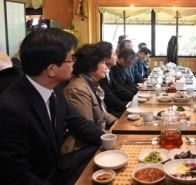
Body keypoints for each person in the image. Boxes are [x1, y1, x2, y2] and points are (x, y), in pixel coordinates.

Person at [0, 28, 104, 184]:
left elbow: (77, 122)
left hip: (57, 167)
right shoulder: (10, 108)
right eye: (70, 59)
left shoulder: (54, 88)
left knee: (104, 153)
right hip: (39, 178)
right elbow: (16, 176)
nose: (74, 63)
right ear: (51, 69)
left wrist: (108, 139)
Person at [63, 44, 118, 130]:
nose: (106, 66)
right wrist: (111, 135)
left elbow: (101, 111)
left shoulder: (93, 83)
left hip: (99, 133)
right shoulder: (78, 90)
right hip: (85, 141)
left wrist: (115, 121)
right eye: (103, 63)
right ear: (90, 66)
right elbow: (87, 129)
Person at [96, 41, 133, 118]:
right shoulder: (100, 74)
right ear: (106, 58)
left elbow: (117, 87)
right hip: (107, 110)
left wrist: (134, 96)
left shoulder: (109, 70)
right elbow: (108, 97)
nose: (116, 57)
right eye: (114, 54)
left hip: (112, 106)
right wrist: (126, 109)